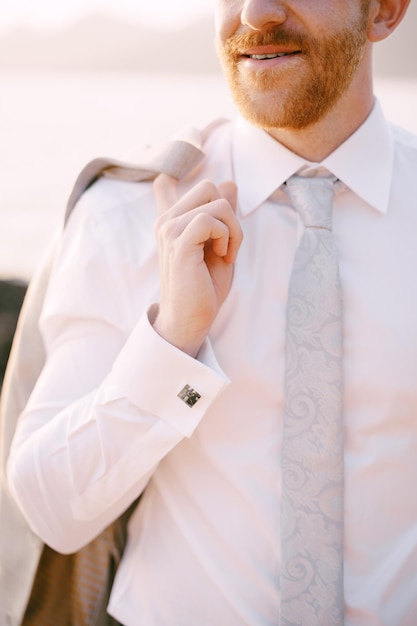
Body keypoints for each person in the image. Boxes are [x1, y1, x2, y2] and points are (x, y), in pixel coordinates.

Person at [5, 0, 416, 623]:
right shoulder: (125, 211)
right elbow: (53, 510)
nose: (254, 13)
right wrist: (172, 343)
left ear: (384, 12)